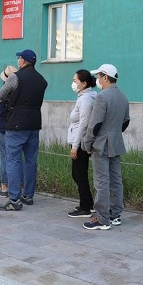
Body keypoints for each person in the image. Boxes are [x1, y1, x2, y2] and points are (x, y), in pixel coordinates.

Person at [0, 49, 48, 211]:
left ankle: (14, 199)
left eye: (19, 58)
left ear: (23, 61)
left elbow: (1, 94)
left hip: (16, 123)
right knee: (31, 160)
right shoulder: (42, 80)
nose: (18, 61)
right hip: (34, 123)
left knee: (13, 160)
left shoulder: (15, 77)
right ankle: (28, 196)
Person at [81, 64, 130, 230]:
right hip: (116, 142)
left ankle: (102, 219)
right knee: (116, 180)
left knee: (101, 182)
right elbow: (126, 121)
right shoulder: (122, 97)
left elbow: (95, 124)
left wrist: (87, 144)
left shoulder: (102, 97)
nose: (97, 79)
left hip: (101, 144)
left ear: (105, 77)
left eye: (99, 76)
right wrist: (114, 132)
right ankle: (115, 214)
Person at [66, 69, 97, 218]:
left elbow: (84, 124)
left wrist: (75, 146)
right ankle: (88, 203)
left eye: (75, 81)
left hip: (80, 142)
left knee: (79, 174)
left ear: (83, 83)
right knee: (79, 173)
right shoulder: (86, 96)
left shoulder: (85, 99)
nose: (73, 84)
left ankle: (85, 207)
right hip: (80, 140)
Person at [0, 65, 17, 198]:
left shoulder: (3, 90)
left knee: (4, 157)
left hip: (3, 126)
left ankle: (4, 187)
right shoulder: (19, 91)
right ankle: (16, 187)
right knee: (15, 158)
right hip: (16, 127)